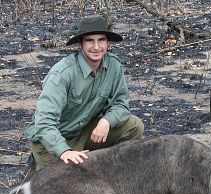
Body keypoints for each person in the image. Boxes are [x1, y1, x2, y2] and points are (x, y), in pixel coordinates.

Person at [26, 15, 144, 171]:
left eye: (101, 40)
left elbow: (121, 104)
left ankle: (111, 171)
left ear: (107, 42)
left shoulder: (113, 65)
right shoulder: (62, 74)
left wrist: (106, 121)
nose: (96, 47)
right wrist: (64, 151)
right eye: (90, 40)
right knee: (61, 188)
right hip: (54, 139)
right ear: (80, 44)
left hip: (84, 131)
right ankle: (37, 164)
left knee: (134, 126)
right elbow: (44, 122)